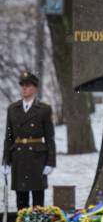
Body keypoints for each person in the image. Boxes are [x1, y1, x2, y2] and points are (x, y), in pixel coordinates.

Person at [1, 71, 56, 210]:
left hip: (37, 158)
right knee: (21, 200)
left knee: (38, 201)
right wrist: (5, 160)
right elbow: (9, 137)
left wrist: (51, 162)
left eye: (28, 85)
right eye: (22, 85)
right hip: (18, 156)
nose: (24, 88)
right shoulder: (13, 108)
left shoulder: (44, 109)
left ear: (35, 88)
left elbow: (50, 138)